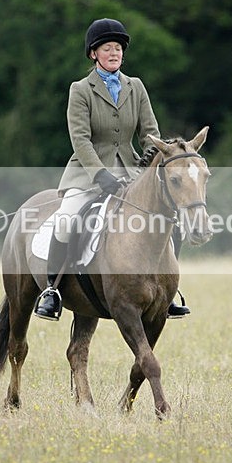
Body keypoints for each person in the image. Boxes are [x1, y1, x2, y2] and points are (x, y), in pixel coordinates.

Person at [33, 18, 190, 321]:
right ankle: (51, 290)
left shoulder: (136, 87)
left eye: (118, 48)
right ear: (94, 54)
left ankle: (167, 291)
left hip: (131, 173)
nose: (114, 53)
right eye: (107, 48)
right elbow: (80, 139)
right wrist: (99, 174)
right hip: (87, 174)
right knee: (67, 219)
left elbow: (150, 134)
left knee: (170, 221)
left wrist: (150, 163)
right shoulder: (80, 90)